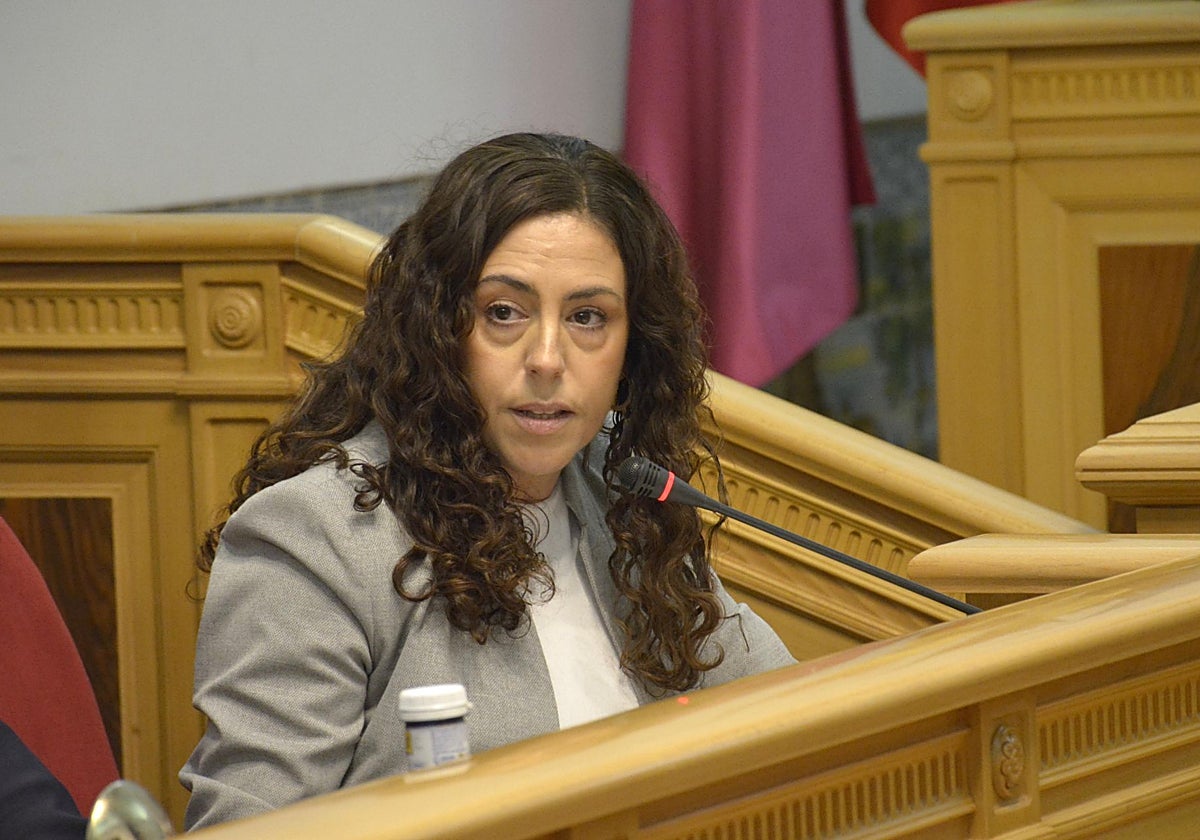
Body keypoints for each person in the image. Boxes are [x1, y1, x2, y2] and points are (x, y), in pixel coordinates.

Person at [179, 131, 796, 829]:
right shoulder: (315, 538)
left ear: (634, 348)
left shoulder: (622, 499)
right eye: (504, 312)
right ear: (438, 329)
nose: (547, 358)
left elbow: (792, 717)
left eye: (588, 317)